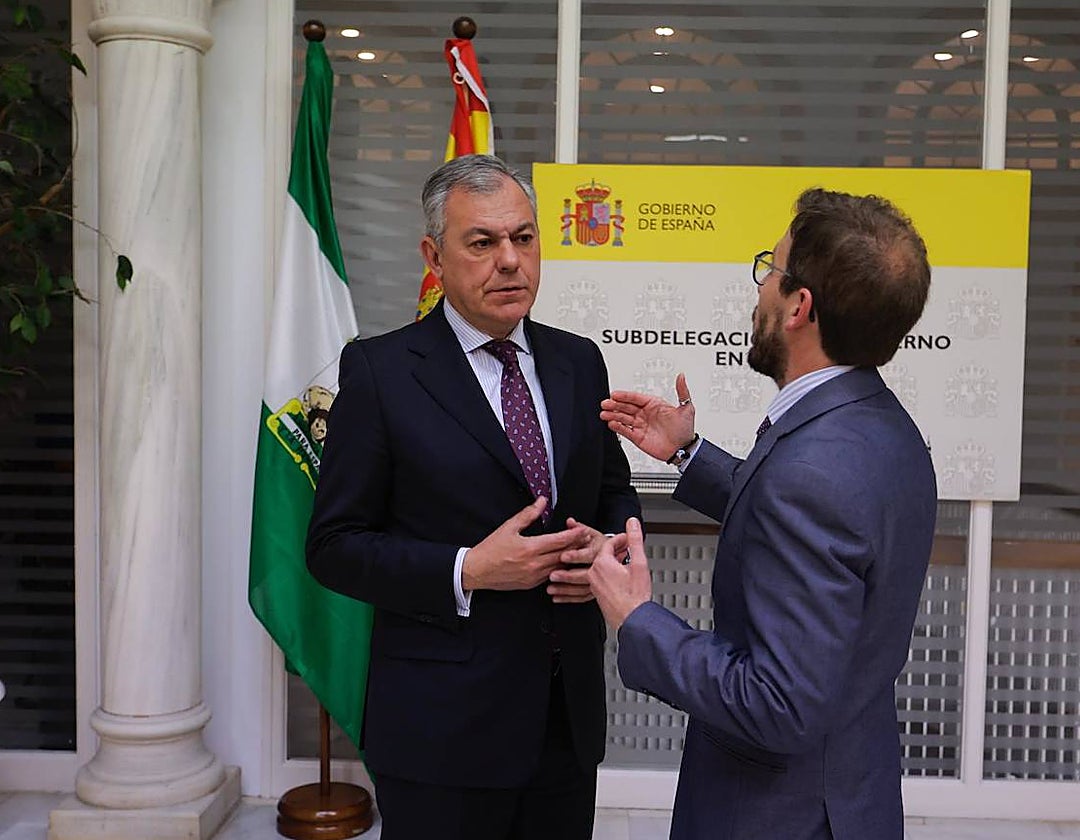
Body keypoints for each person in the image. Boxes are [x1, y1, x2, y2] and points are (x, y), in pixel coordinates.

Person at [567, 187, 937, 839]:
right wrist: (688, 455)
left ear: (800, 307)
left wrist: (638, 618)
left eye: (772, 268)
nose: (761, 285)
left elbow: (777, 704)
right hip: (851, 790)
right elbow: (819, 522)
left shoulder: (814, 469)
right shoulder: (885, 431)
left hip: (779, 813)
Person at [306, 154, 641, 840]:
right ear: (435, 254)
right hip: (440, 731)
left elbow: (611, 490)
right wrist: (467, 570)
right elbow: (334, 547)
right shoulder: (380, 372)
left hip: (564, 719)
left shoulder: (579, 360)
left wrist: (607, 548)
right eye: (483, 243)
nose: (510, 261)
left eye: (523, 238)